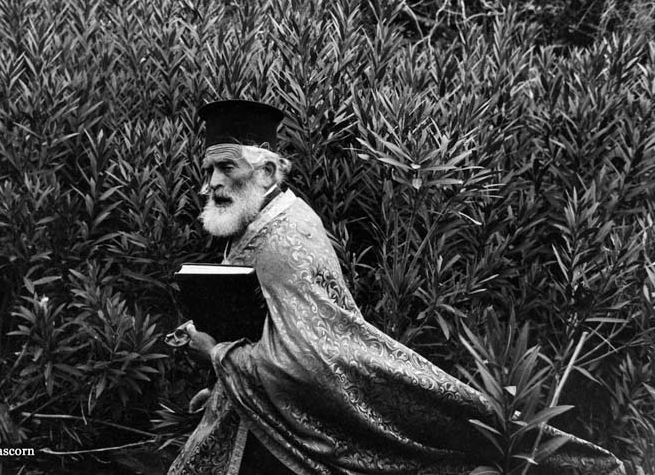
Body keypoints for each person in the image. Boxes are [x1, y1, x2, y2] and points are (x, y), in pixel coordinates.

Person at [167, 99, 625, 474]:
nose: (212, 183)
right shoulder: (256, 220)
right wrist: (225, 389)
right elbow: (265, 328)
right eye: (209, 170)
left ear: (267, 173)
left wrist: (216, 354)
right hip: (260, 417)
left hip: (292, 443)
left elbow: (310, 363)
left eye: (226, 167)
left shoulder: (286, 240)